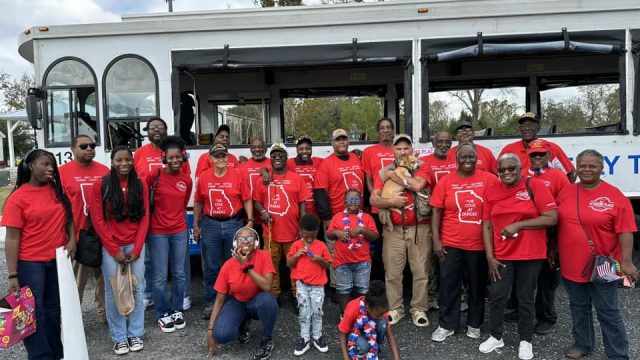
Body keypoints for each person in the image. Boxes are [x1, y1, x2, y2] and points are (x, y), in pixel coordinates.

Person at [556, 149, 638, 359]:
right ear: (577, 167)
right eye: (583, 165)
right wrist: (553, 250)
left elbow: (626, 230)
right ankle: (583, 343)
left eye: (593, 166)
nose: (587, 169)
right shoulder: (566, 192)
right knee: (578, 307)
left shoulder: (615, 196)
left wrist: (626, 263)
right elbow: (559, 224)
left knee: (608, 311)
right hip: (571, 264)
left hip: (604, 265)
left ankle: (618, 354)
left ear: (602, 168)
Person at [480, 153, 558, 360]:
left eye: (511, 168)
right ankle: (496, 336)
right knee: (497, 295)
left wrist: (520, 224)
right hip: (502, 255)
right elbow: (486, 225)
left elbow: (551, 217)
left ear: (520, 169)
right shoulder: (492, 191)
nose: (506, 173)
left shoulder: (535, 186)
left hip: (530, 254)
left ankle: (525, 340)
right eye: (502, 169)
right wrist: (489, 256)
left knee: (525, 298)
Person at [2, 149, 75, 359]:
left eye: (52, 164)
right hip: (30, 263)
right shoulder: (18, 198)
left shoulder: (58, 191)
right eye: (45, 164)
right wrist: (13, 274)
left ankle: (56, 352)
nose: (51, 168)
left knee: (54, 310)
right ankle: (40, 356)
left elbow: (69, 218)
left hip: (58, 261)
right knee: (34, 313)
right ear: (31, 166)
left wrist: (72, 240)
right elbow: (12, 238)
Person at [429, 142, 498, 342]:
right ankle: (446, 324)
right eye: (463, 157)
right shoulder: (446, 181)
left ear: (477, 158)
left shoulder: (489, 179)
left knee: (476, 287)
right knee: (449, 286)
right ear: (456, 159)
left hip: (478, 244)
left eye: (471, 157)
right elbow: (436, 211)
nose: (467, 160)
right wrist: (436, 239)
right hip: (451, 242)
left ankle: (474, 324)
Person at [504, 141, 570, 334]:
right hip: (525, 233)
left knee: (546, 278)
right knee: (522, 276)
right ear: (529, 157)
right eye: (534, 155)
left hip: (549, 231)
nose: (538, 158)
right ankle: (520, 310)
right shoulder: (521, 174)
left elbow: (563, 208)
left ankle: (546, 317)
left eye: (541, 155)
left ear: (548, 156)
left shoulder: (558, 176)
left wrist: (556, 242)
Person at [91, 146, 150, 355]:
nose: (124, 164)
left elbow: (145, 217)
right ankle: (119, 337)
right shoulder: (101, 184)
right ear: (112, 162)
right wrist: (114, 249)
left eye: (128, 160)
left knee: (137, 288)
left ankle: (135, 332)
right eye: (119, 160)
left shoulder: (140, 183)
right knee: (113, 290)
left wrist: (137, 247)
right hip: (112, 247)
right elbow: (98, 220)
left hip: (135, 245)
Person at [370, 134, 432, 327]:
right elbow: (373, 199)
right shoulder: (384, 171)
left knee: (421, 271)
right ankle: (395, 308)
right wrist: (391, 202)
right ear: (393, 151)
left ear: (412, 150)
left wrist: (394, 176)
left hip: (419, 228)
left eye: (406, 148)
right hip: (393, 229)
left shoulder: (423, 166)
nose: (403, 152)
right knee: (392, 273)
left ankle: (419, 309)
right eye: (399, 149)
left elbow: (418, 185)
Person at [133, 117, 191, 309]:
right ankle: (157, 304)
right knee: (153, 266)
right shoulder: (143, 159)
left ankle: (180, 302)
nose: (157, 130)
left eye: (161, 127)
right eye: (153, 127)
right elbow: (139, 188)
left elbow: (183, 198)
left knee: (180, 268)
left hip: (178, 225)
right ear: (164, 158)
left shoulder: (185, 177)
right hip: (155, 223)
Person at [193, 143, 254, 320]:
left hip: (233, 223)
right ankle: (211, 301)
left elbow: (247, 199)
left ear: (228, 158)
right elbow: (198, 201)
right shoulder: (204, 177)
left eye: (224, 156)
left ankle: (233, 301)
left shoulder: (237, 175)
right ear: (210, 159)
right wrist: (196, 224)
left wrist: (249, 221)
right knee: (211, 266)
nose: (221, 160)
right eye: (217, 156)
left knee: (234, 264)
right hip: (210, 224)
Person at [206, 227, 278, 360]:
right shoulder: (228, 265)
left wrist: (246, 266)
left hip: (258, 301)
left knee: (268, 301)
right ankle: (243, 324)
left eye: (250, 238)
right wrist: (210, 330)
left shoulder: (264, 256)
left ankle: (267, 339)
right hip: (237, 301)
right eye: (241, 239)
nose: (246, 242)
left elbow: (267, 286)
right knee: (221, 335)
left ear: (256, 243)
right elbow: (219, 300)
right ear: (235, 244)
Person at [59, 135, 109, 323]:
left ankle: (106, 316)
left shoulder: (104, 171)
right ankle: (71, 322)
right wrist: (68, 238)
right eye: (83, 146)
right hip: (77, 236)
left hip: (102, 235)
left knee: (105, 279)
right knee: (75, 283)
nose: (89, 149)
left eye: (92, 146)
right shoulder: (62, 173)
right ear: (73, 149)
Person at [254, 142, 311, 301]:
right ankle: (274, 295)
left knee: (295, 265)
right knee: (271, 266)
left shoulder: (296, 178)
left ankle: (296, 296)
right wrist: (262, 211)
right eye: (273, 154)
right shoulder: (263, 179)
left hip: (292, 231)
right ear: (270, 158)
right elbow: (256, 201)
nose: (277, 157)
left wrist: (303, 226)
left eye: (281, 154)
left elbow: (302, 204)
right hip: (270, 232)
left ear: (286, 158)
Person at [147, 136, 193, 333]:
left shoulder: (186, 179)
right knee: (159, 276)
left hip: (179, 231)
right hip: (157, 232)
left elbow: (182, 205)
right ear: (164, 157)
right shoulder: (154, 176)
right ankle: (162, 313)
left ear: (183, 158)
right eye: (171, 157)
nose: (175, 161)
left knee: (180, 273)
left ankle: (176, 309)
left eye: (178, 157)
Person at [314, 128, 365, 293]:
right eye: (338, 139)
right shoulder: (326, 164)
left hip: (358, 216)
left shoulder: (358, 158)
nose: (341, 142)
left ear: (348, 141)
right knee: (335, 253)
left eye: (344, 139)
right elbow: (320, 192)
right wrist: (327, 218)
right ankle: (338, 287)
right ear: (332, 143)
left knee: (356, 249)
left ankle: (356, 285)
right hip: (336, 216)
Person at [419, 130, 457, 310]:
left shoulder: (458, 161)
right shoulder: (424, 162)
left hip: (453, 217)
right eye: (440, 141)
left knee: (455, 258)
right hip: (431, 216)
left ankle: (459, 295)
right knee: (433, 258)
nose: (444, 145)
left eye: (447, 142)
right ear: (433, 143)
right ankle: (433, 296)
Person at [326, 189, 379, 314]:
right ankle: (344, 314)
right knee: (343, 289)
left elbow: (375, 236)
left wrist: (363, 230)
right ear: (345, 202)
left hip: (363, 262)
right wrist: (336, 233)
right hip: (342, 262)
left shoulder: (366, 218)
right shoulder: (337, 217)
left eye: (356, 199)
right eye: (350, 199)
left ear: (360, 201)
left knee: (362, 289)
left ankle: (361, 313)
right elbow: (329, 235)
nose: (353, 202)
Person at [287, 214, 332, 356]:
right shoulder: (296, 245)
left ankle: (317, 337)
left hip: (318, 286)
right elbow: (288, 263)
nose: (309, 239)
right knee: (304, 312)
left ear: (317, 231)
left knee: (317, 312)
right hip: (302, 285)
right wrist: (297, 255)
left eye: (312, 236)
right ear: (300, 231)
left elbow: (328, 265)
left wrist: (318, 259)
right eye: (306, 236)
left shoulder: (321, 245)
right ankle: (304, 338)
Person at [361, 117, 396, 282]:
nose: (386, 130)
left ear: (393, 130)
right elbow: (368, 179)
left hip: (397, 205)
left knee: (397, 245)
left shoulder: (399, 149)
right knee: (380, 245)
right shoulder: (369, 152)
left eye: (388, 127)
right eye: (382, 128)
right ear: (378, 132)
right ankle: (378, 280)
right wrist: (375, 198)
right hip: (378, 207)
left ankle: (399, 280)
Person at [499, 112, 575, 182]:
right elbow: (498, 174)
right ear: (520, 128)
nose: (527, 128)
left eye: (531, 125)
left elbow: (571, 174)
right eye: (523, 125)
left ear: (538, 127)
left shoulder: (552, 148)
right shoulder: (509, 150)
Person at [338, 280, 400, 360]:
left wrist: (396, 358)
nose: (382, 316)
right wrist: (346, 358)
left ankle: (374, 347)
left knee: (382, 323)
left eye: (383, 314)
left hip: (371, 331)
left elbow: (389, 336)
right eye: (379, 314)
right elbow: (342, 333)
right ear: (367, 306)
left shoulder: (380, 308)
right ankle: (358, 350)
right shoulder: (353, 308)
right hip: (354, 333)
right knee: (364, 346)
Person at [239, 138, 273, 243]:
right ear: (250, 149)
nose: (257, 149)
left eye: (260, 147)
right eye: (254, 147)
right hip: (249, 218)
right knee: (251, 248)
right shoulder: (242, 166)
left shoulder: (273, 164)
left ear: (266, 148)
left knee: (269, 250)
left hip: (269, 217)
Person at [287, 136, 323, 225]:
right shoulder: (289, 163)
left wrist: (353, 151)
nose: (304, 151)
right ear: (296, 150)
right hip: (296, 211)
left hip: (315, 211)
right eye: (301, 149)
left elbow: (333, 159)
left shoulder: (318, 161)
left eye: (308, 148)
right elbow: (272, 167)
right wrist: (264, 170)